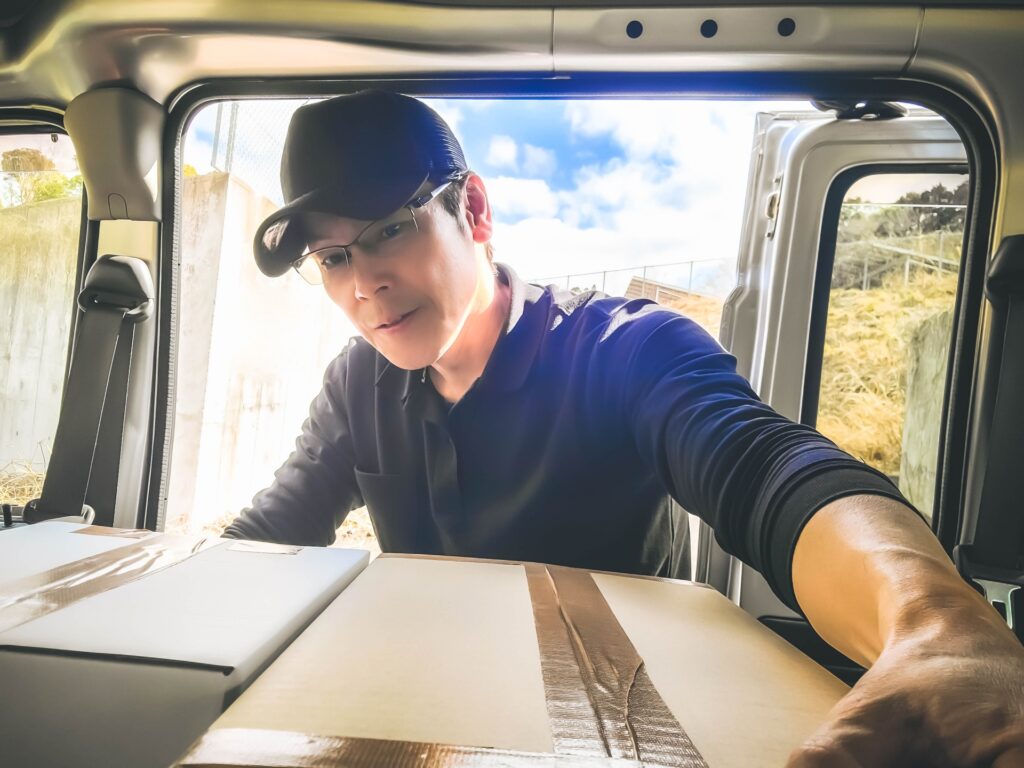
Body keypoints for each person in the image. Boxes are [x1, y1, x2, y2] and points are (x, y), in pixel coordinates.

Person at [224, 90, 1023, 766]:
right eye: (332, 259)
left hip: (608, 737)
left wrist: (937, 621)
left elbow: (763, 466)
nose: (365, 284)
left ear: (473, 209)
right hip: (419, 729)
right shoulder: (355, 384)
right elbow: (266, 538)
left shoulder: (623, 348)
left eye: (387, 230)